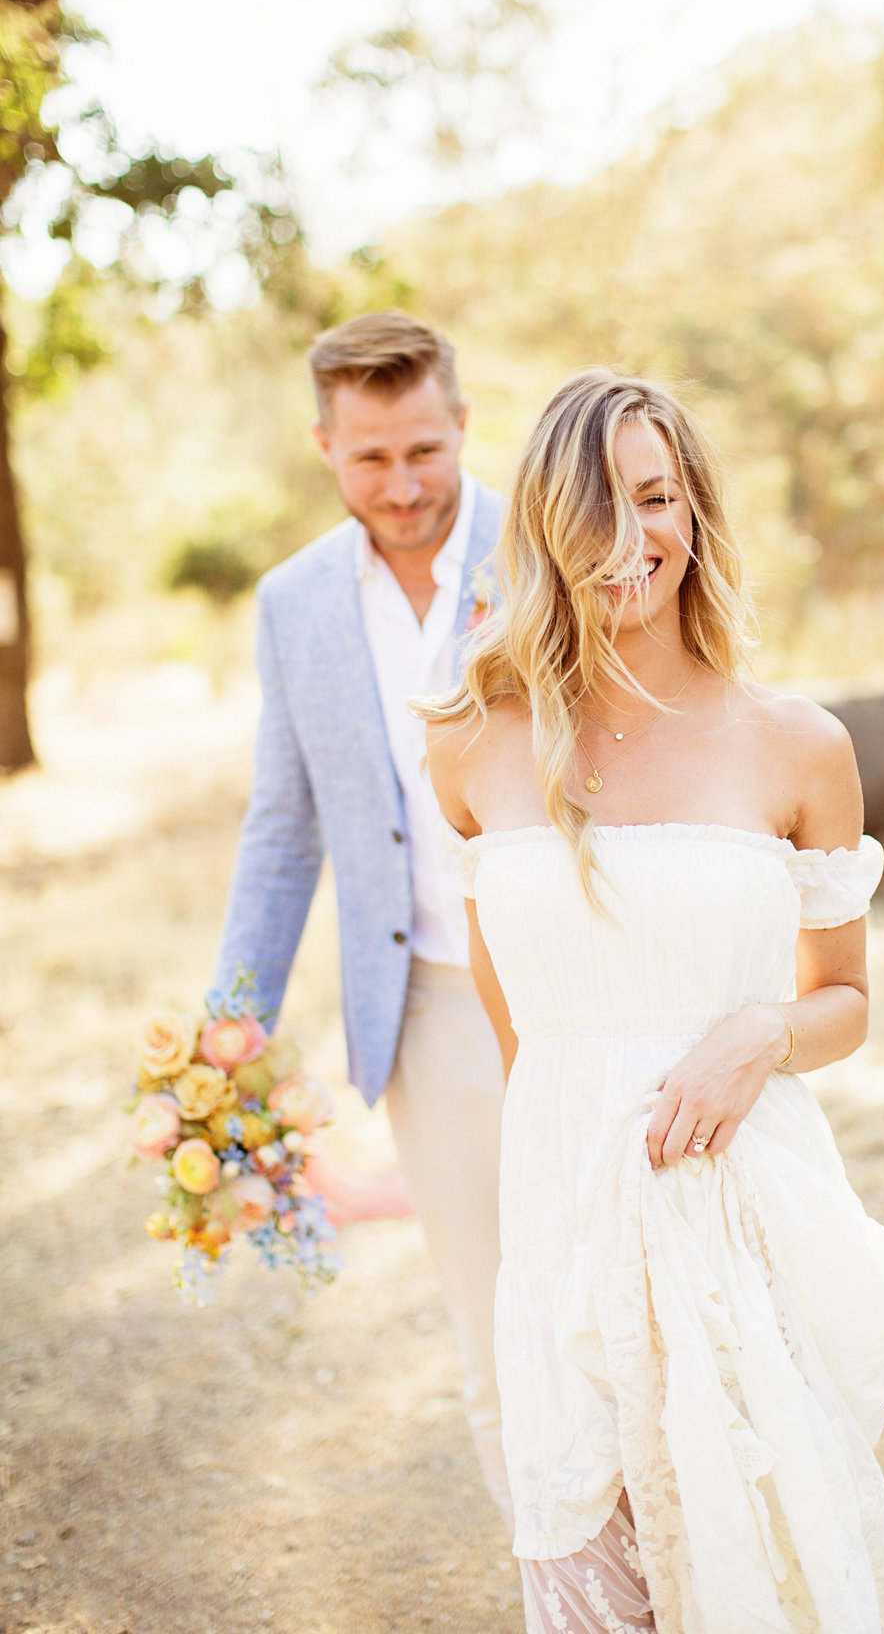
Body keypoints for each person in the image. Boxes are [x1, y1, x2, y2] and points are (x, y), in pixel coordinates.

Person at [422, 369, 884, 1633]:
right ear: (539, 527)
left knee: (770, 1574)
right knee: (595, 1577)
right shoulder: (474, 738)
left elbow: (847, 998)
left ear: (694, 509)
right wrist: (564, 1202)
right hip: (565, 1216)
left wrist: (762, 1035)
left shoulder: (798, 745)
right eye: (592, 507)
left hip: (739, 1214)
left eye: (655, 498)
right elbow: (514, 1030)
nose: (628, 539)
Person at [212, 311, 510, 1527]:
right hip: (425, 1008)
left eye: (426, 452)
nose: (403, 486)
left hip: (582, 988)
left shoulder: (556, 544)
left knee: (621, 1301)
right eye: (372, 458)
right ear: (325, 446)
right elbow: (284, 829)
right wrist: (232, 1032)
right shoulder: (292, 605)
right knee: (491, 1324)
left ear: (462, 427)